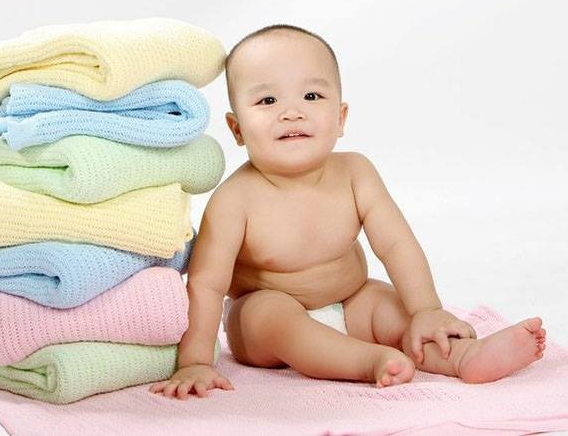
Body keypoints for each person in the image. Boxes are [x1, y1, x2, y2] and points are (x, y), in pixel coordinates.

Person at [149, 24, 546, 400]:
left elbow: (396, 245)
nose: (292, 112)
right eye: (268, 100)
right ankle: (366, 361)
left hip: (352, 302)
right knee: (269, 314)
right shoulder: (235, 200)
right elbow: (207, 284)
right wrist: (196, 361)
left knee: (391, 307)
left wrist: (426, 310)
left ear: (340, 118)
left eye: (311, 96)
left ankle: (463, 357)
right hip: (264, 324)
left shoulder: (357, 173)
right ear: (237, 129)